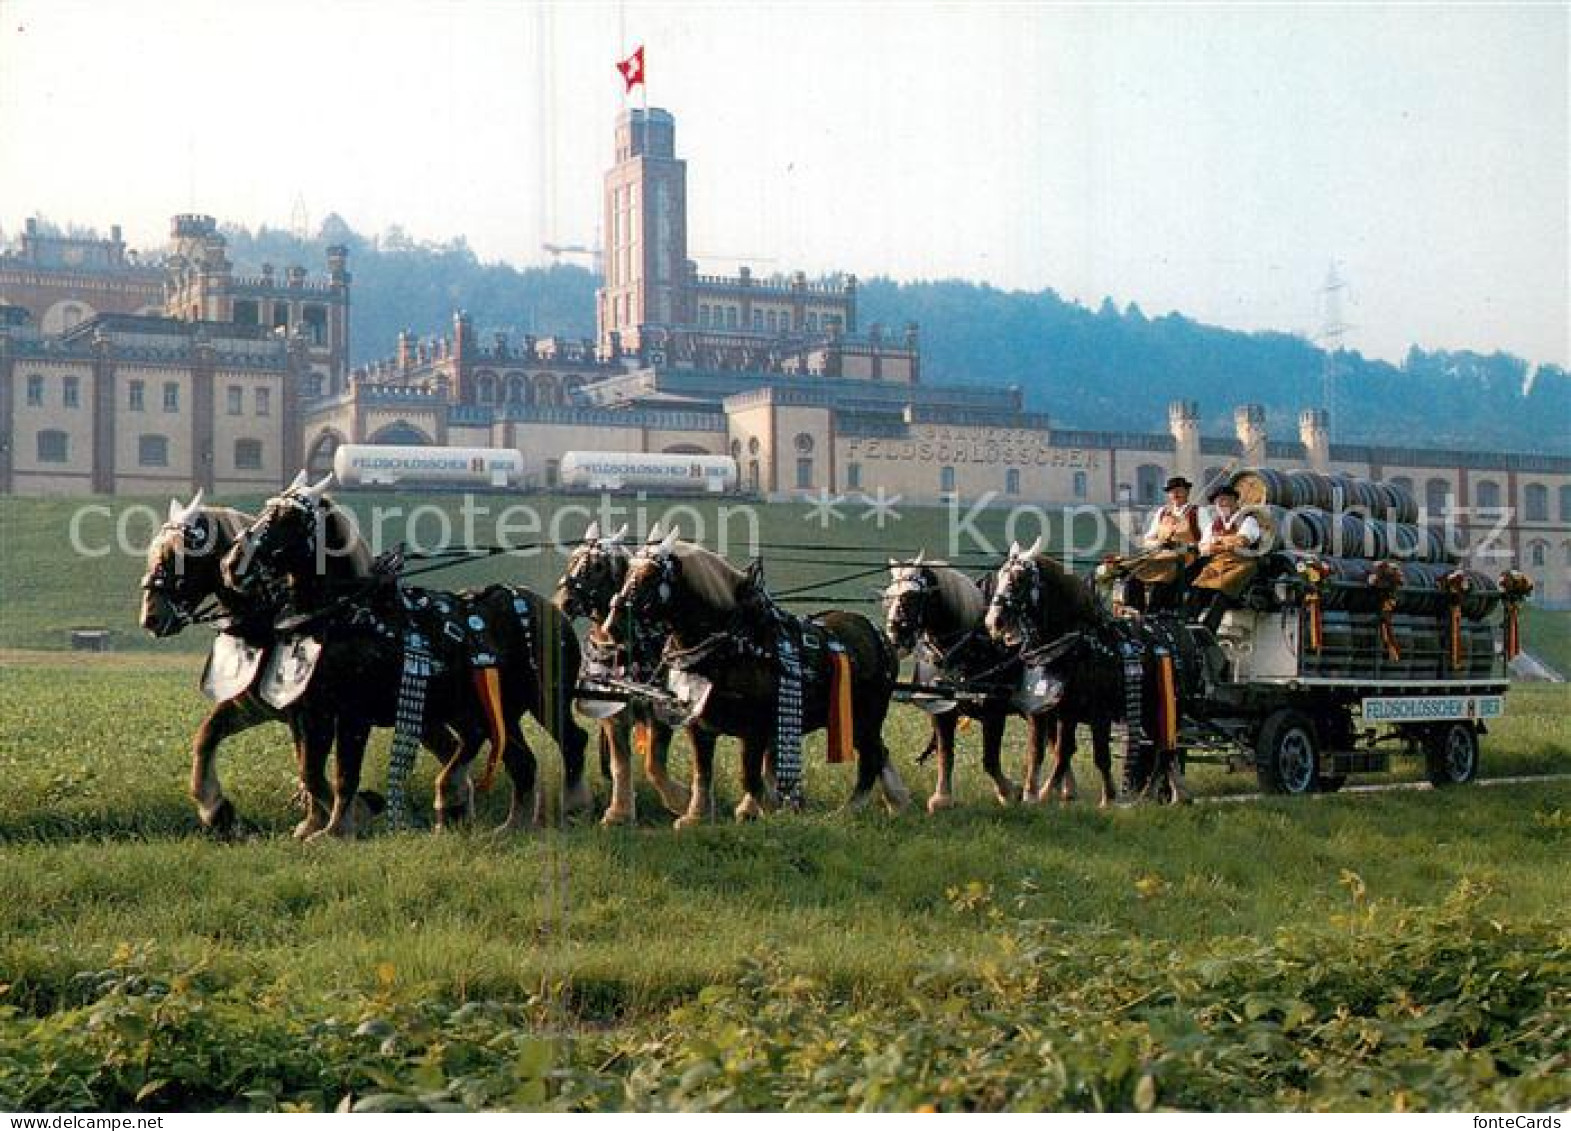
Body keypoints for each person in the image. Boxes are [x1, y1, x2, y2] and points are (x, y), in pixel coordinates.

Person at [1188, 483, 1263, 632]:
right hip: (1218, 563)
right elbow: (1203, 549)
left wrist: (1217, 542)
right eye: (1218, 502)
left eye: (1225, 500)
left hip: (1242, 563)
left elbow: (1243, 541)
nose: (1221, 504)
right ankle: (1188, 624)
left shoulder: (1248, 520)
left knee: (1223, 589)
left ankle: (1209, 628)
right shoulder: (1213, 524)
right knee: (1198, 588)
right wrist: (1226, 543)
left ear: (1235, 501)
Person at [1122, 476, 1201, 613]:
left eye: (1179, 491)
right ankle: (1136, 613)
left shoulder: (1197, 512)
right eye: (1172, 491)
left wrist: (1185, 545)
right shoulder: (1162, 512)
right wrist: (1159, 542)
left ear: (1187, 492)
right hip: (1160, 556)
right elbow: (1148, 539)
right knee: (1132, 577)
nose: (1175, 494)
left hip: (1183, 558)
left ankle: (1153, 614)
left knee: (1161, 580)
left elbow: (1206, 541)